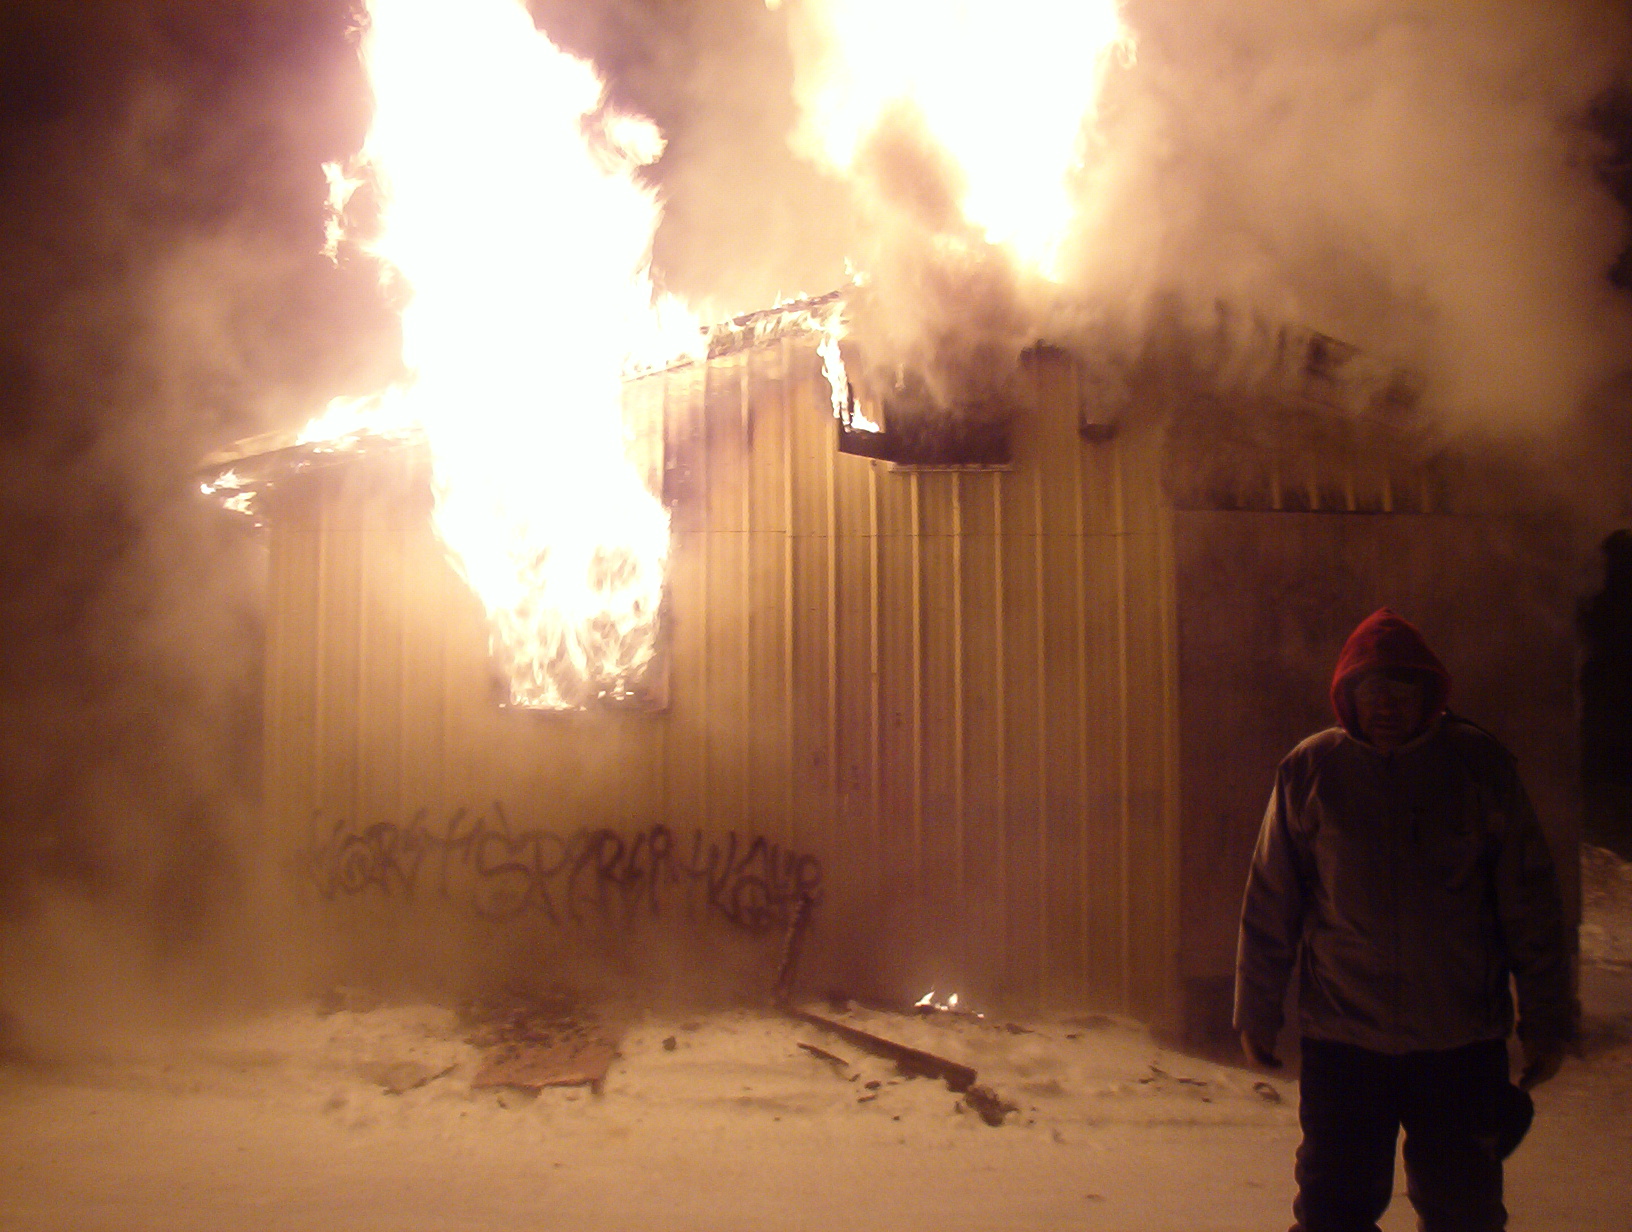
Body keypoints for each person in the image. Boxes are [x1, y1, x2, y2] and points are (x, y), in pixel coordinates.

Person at [1235, 607, 1574, 1232]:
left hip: (1459, 1043)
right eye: (1370, 689)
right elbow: (1271, 901)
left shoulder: (1478, 768)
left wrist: (1548, 1019)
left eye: (1402, 688)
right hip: (1345, 1042)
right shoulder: (1311, 770)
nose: (1386, 704)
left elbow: (1531, 903)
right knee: (1332, 1213)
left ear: (1430, 696)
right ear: (1347, 696)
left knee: (1463, 1213)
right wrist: (1256, 1011)